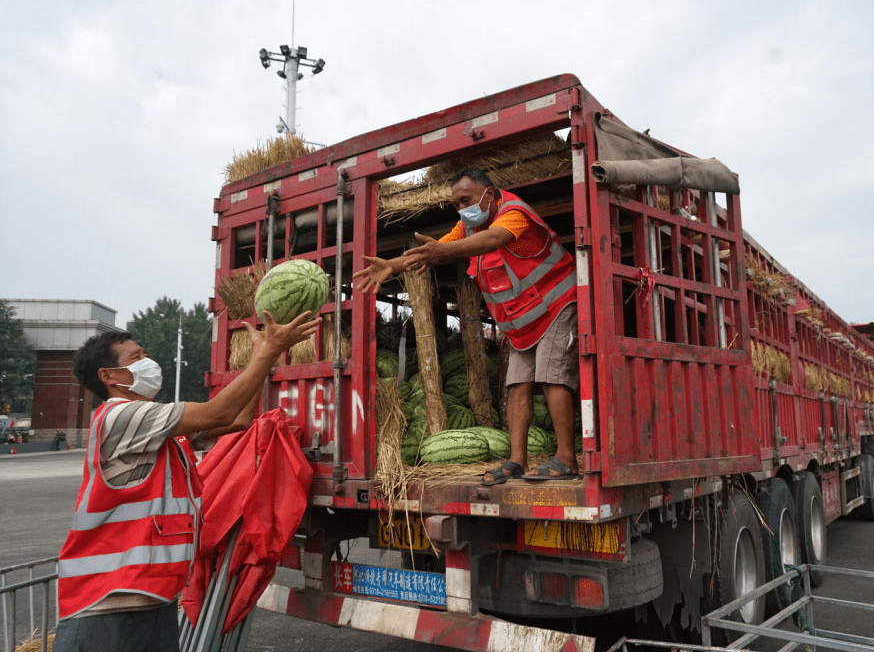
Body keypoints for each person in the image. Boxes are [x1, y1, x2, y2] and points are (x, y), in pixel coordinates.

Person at [53, 311, 318, 652]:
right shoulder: (119, 416)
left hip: (152, 599)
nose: (148, 362)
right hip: (105, 606)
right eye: (137, 357)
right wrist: (267, 352)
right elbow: (218, 412)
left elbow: (237, 419)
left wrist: (261, 359)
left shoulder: (158, 433)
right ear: (109, 375)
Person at [354, 168, 579, 484]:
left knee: (551, 377)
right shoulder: (470, 226)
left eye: (466, 200)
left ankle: (567, 458)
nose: (461, 210)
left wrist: (441, 251)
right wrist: (392, 265)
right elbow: (434, 251)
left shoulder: (514, 212)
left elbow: (495, 239)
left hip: (557, 304)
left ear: (489, 194)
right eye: (456, 204)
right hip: (524, 321)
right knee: (516, 385)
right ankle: (516, 460)